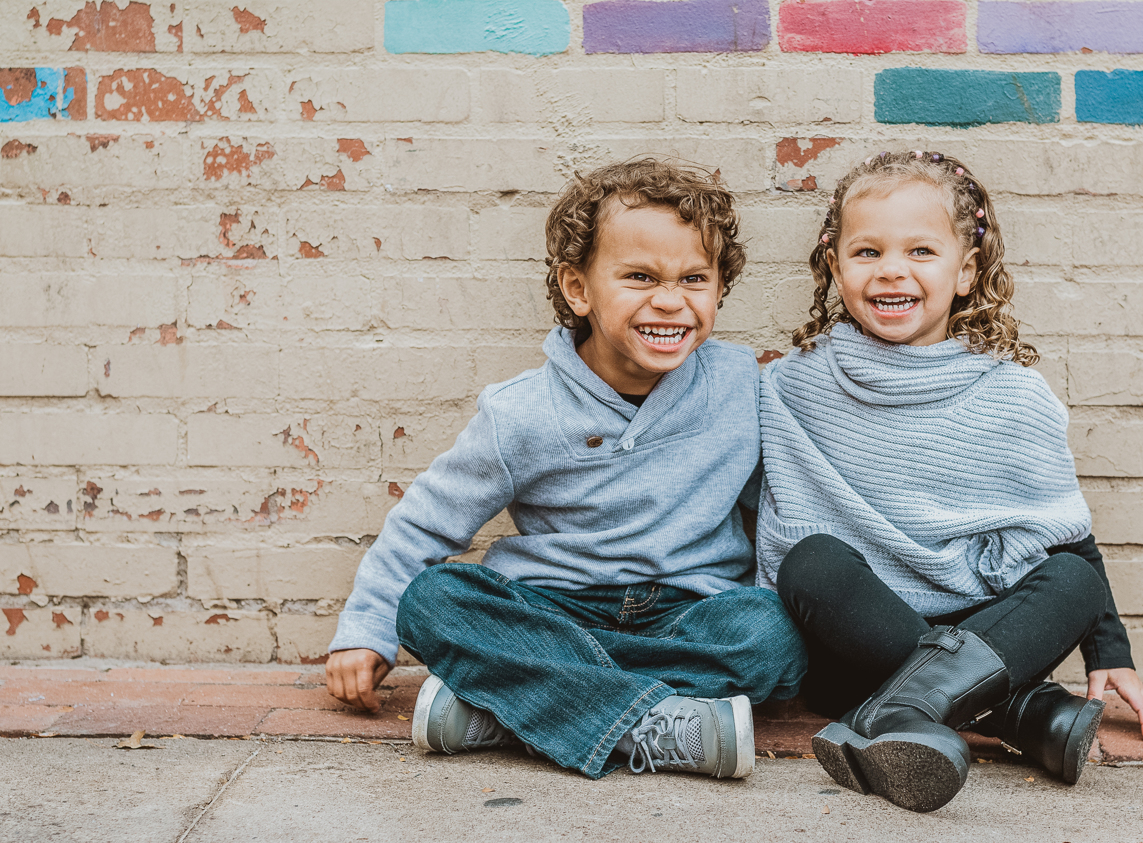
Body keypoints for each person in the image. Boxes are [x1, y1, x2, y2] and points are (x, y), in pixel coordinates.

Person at [324, 157, 805, 780]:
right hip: (551, 611)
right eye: (638, 277)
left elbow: (770, 509)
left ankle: (513, 709)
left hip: (684, 616)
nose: (669, 301)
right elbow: (425, 525)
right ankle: (656, 726)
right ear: (578, 288)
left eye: (694, 279)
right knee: (431, 601)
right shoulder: (522, 413)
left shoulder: (740, 386)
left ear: (719, 288)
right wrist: (365, 628)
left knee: (772, 636)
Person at [756, 149, 1143, 813]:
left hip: (988, 639)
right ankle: (1028, 717)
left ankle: (910, 708)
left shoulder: (1012, 398)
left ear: (966, 270)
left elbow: (1068, 540)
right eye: (868, 253)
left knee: (1075, 582)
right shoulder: (796, 384)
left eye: (921, 251)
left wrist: (1110, 654)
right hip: (854, 650)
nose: (893, 269)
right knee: (811, 561)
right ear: (836, 267)